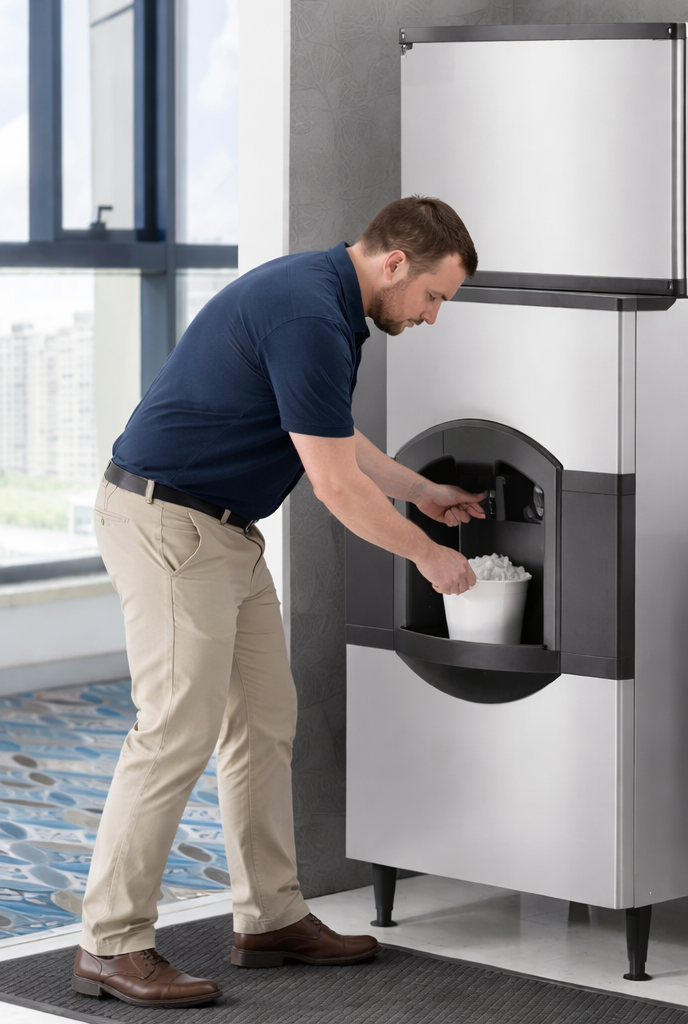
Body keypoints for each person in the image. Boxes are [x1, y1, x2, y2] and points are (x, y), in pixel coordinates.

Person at [72, 197, 484, 1008]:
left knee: (263, 722)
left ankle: (270, 919)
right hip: (170, 524)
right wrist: (429, 557)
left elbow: (330, 433)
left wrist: (421, 492)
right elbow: (332, 483)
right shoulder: (308, 314)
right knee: (173, 733)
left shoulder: (326, 300)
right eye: (435, 296)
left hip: (222, 531)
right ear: (395, 263)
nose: (434, 316)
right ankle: (109, 943)